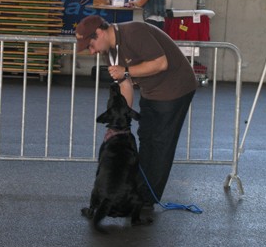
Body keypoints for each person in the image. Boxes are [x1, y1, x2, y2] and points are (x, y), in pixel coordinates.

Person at [75, 15, 197, 208]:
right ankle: (138, 193)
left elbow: (160, 63)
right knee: (146, 139)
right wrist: (123, 124)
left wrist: (126, 71)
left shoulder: (134, 32)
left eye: (90, 45)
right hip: (152, 91)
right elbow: (125, 86)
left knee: (160, 144)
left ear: (99, 33)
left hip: (175, 88)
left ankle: (146, 200)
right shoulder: (110, 52)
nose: (91, 52)